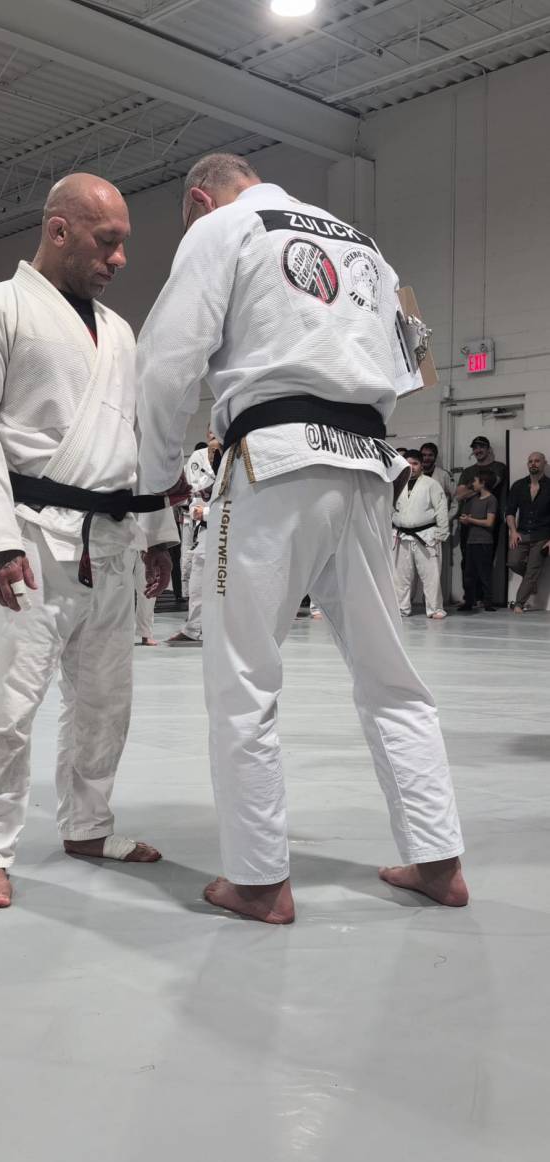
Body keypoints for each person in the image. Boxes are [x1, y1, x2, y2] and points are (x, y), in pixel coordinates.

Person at [136, 152, 468, 923]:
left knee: (243, 677)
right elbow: (411, 364)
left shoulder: (224, 226)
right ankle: (439, 862)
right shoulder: (365, 245)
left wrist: (156, 479)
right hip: (367, 465)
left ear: (199, 198)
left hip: (274, 462)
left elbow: (166, 364)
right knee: (391, 677)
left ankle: (258, 881)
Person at [0, 173, 178, 910]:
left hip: (113, 540)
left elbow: (139, 438)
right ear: (59, 229)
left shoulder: (120, 332)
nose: (119, 259)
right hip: (33, 537)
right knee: (10, 704)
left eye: (123, 245)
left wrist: (158, 531)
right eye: (108, 242)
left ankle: (88, 826)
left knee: (106, 703)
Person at [168, 427, 220, 645]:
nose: (212, 435)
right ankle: (193, 628)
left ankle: (218, 629)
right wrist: (198, 511)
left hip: (232, 528)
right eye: (210, 431)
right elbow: (193, 495)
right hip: (205, 529)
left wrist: (206, 512)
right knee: (197, 577)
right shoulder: (198, 458)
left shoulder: (237, 456)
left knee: (224, 583)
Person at [392, 450, 448, 619]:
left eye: (415, 463)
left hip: (426, 535)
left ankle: (435, 608)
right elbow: (389, 508)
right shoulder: (396, 484)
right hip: (401, 535)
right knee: (401, 576)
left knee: (431, 575)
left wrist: (441, 532)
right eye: (408, 463)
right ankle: (401, 608)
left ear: (421, 465)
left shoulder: (431, 484)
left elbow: (441, 508)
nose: (412, 467)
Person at [506, 451, 550, 614]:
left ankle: (518, 604)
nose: (533, 464)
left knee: (532, 569)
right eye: (530, 461)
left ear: (544, 463)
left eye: (537, 461)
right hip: (522, 533)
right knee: (513, 562)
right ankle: (531, 582)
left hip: (542, 536)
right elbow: (510, 512)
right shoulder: (518, 485)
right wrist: (513, 531)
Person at [455, 436, 506, 572]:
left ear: (489, 449)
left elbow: (492, 483)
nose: (478, 450)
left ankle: (484, 588)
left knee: (485, 563)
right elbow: (459, 495)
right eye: (475, 448)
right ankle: (469, 588)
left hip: (488, 522)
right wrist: (481, 488)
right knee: (467, 562)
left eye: (481, 447)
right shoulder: (467, 471)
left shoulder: (499, 467)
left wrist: (470, 489)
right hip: (467, 521)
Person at [458, 467, 498, 612]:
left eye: (475, 481)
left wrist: (470, 520)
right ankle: (469, 601)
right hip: (471, 541)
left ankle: (488, 602)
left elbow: (489, 522)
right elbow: (470, 515)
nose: (473, 484)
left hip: (484, 542)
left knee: (484, 573)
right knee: (469, 573)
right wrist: (466, 519)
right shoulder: (474, 499)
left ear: (483, 482)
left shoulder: (492, 499)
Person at [133, 550, 157, 645]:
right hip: (117, 545)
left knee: (147, 589)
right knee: (116, 587)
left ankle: (145, 633)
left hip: (145, 546)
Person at [421, 441, 455, 508]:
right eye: (424, 455)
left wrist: (450, 514)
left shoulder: (444, 475)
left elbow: (456, 498)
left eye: (430, 455)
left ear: (435, 457)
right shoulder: (414, 476)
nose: (427, 458)